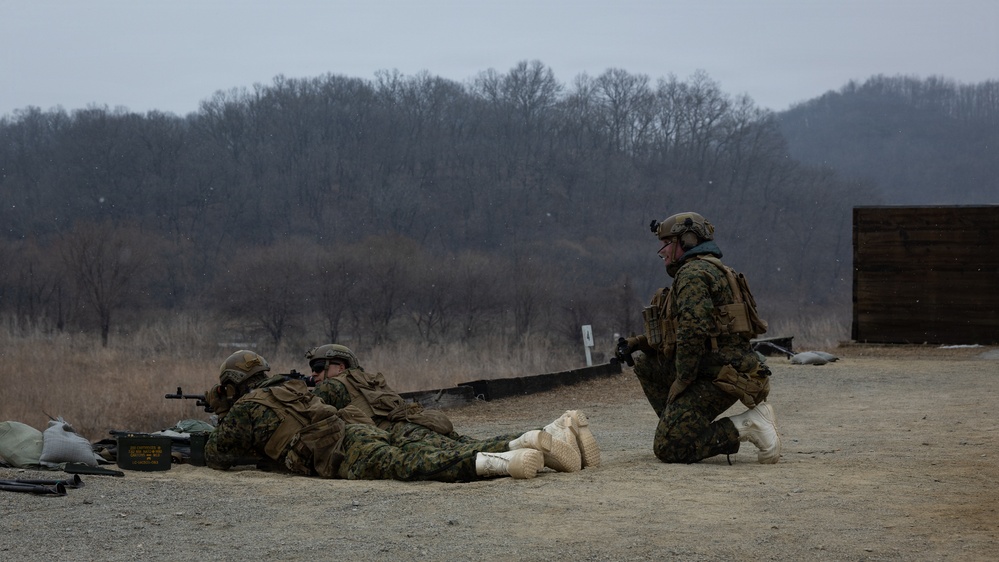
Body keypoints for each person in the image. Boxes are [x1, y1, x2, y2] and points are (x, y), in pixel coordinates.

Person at [203, 350, 581, 481]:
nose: (316, 375)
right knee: (431, 453)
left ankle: (505, 461)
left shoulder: (245, 410)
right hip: (362, 433)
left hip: (341, 449)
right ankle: (534, 438)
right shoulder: (294, 387)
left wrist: (224, 411)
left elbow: (217, 455)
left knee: (415, 466)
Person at [616, 212, 781, 464]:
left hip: (721, 376)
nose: (663, 252)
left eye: (667, 244)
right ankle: (679, 429)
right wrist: (638, 343)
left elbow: (693, 334)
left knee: (668, 449)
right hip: (722, 368)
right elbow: (685, 330)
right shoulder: (712, 269)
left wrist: (683, 379)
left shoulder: (692, 274)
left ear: (688, 240)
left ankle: (747, 425)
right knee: (647, 366)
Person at [305, 343, 599, 471]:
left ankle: (529, 445)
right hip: (421, 423)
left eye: (319, 368)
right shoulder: (368, 380)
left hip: (400, 434)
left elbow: (308, 416)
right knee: (468, 443)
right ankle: (553, 432)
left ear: (338, 366)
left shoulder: (333, 387)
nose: (314, 376)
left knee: (454, 455)